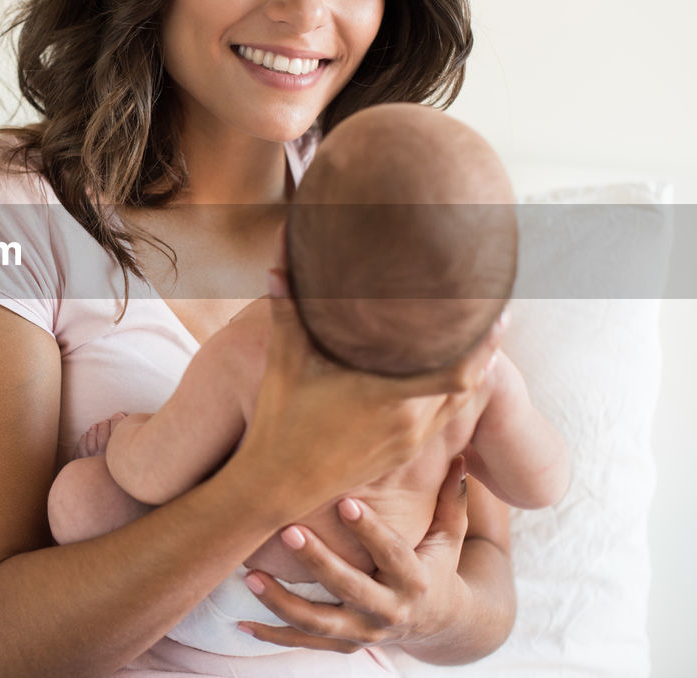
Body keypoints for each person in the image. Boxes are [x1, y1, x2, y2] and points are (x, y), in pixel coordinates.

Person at [0, 0, 520, 674]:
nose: (305, 11)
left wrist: (430, 612)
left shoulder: (402, 220)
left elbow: (486, 563)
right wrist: (269, 484)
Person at [45, 103, 571, 657]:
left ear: (288, 256)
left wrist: (129, 432)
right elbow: (541, 486)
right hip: (365, 604)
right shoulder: (477, 378)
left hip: (226, 590)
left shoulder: (260, 345)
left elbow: (153, 475)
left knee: (81, 498)